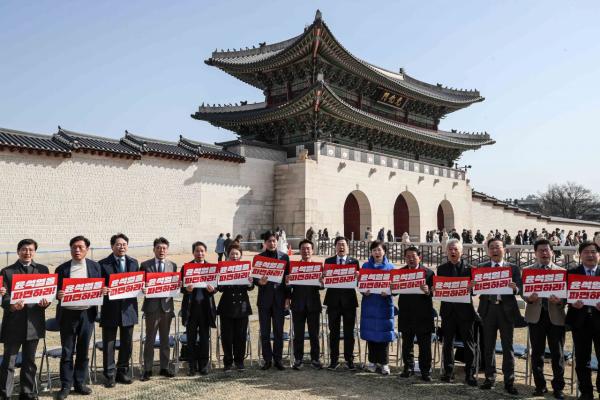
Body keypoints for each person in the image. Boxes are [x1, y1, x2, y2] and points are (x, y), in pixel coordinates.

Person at [0, 239, 49, 400]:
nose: (27, 252)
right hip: (13, 323)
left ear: (34, 252)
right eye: (23, 249)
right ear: (18, 251)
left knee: (29, 361)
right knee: (9, 362)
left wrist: (46, 302)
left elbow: (47, 295)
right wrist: (12, 305)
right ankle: (5, 393)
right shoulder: (7, 271)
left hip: (34, 324)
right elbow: (4, 298)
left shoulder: (43, 270)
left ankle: (27, 392)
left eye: (30, 249)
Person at [55, 236, 102, 400]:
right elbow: (54, 290)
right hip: (68, 314)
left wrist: (102, 291)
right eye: (74, 247)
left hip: (87, 314)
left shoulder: (95, 267)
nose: (77, 250)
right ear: (70, 249)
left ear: (87, 249)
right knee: (67, 352)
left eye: (81, 247)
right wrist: (58, 294)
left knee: (83, 351)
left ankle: (80, 383)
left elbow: (100, 286)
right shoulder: (61, 269)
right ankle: (66, 385)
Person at [522, 239, 566, 399]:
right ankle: (540, 386)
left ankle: (558, 387)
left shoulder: (562, 271)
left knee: (557, 354)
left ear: (552, 252)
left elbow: (567, 296)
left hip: (556, 317)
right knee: (537, 353)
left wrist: (561, 300)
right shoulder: (527, 270)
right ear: (535, 253)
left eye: (547, 250)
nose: (544, 253)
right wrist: (529, 298)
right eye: (541, 250)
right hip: (536, 317)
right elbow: (523, 292)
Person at [477, 238, 522, 395]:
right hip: (488, 309)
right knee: (488, 346)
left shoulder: (513, 268)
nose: (495, 250)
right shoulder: (482, 267)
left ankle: (509, 381)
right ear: (488, 251)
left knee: (507, 347)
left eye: (498, 247)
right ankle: (490, 378)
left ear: (504, 249)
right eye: (492, 248)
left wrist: (515, 288)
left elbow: (520, 288)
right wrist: (474, 286)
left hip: (506, 310)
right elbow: (475, 287)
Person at [98, 233, 139, 388]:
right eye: (118, 244)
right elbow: (98, 286)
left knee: (127, 343)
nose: (121, 247)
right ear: (112, 246)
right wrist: (103, 289)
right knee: (109, 343)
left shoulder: (134, 263)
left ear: (127, 246)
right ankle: (109, 375)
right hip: (110, 309)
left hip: (128, 309)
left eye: (124, 244)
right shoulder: (102, 264)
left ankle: (122, 372)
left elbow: (138, 284)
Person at [437, 238, 478, 386]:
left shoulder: (470, 269)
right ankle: (448, 372)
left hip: (466, 312)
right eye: (450, 249)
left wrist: (472, 288)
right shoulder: (441, 269)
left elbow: (475, 292)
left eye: (456, 249)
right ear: (446, 251)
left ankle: (470, 374)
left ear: (461, 251)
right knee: (447, 343)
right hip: (447, 312)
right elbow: (439, 290)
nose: (453, 252)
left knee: (469, 344)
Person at [566, 241, 600, 400]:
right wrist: (571, 302)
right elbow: (563, 295)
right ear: (580, 255)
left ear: (598, 255)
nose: (590, 255)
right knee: (582, 359)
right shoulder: (571, 272)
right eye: (586, 252)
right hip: (580, 322)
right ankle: (586, 392)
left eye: (593, 252)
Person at [139, 237, 177, 381]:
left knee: (165, 339)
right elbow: (139, 286)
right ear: (154, 249)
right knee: (149, 339)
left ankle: (164, 367)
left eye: (164, 248)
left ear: (167, 250)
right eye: (159, 248)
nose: (161, 251)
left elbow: (174, 285)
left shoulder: (172, 265)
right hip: (151, 307)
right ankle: (147, 369)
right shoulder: (145, 265)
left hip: (167, 307)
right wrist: (144, 289)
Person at [397, 246, 434, 381]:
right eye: (408, 257)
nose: (411, 259)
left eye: (413, 256)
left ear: (420, 257)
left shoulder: (429, 273)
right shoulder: (400, 273)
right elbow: (394, 292)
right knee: (407, 343)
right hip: (406, 313)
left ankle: (425, 371)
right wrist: (392, 287)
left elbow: (434, 293)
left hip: (423, 314)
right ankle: (408, 367)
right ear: (405, 258)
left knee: (425, 345)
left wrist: (428, 290)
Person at [324, 236, 359, 370]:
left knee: (349, 333)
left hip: (349, 302)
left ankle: (349, 359)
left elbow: (358, 282)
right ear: (335, 247)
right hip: (333, 301)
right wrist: (324, 277)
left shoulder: (354, 262)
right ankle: (334, 359)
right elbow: (325, 280)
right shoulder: (329, 261)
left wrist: (358, 277)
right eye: (339, 244)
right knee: (334, 332)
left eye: (344, 244)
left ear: (348, 247)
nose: (341, 247)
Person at [255, 231, 290, 370]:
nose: (272, 243)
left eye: (274, 241)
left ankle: (278, 359)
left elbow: (288, 279)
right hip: (264, 299)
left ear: (277, 241)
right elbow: (256, 279)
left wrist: (288, 298)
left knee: (278, 332)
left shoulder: (284, 257)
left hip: (280, 299)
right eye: (269, 241)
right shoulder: (259, 258)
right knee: (265, 332)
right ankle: (267, 359)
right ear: (265, 243)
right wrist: (260, 282)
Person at [360, 240, 395, 375]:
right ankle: (372, 361)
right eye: (374, 250)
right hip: (369, 304)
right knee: (371, 334)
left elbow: (396, 287)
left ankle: (385, 363)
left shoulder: (390, 267)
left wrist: (390, 292)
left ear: (384, 251)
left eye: (379, 250)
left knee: (384, 335)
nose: (377, 252)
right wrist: (364, 291)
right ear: (371, 252)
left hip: (384, 305)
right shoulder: (365, 266)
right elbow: (360, 284)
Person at [181, 241, 217, 375]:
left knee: (204, 337)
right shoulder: (186, 267)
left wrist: (213, 290)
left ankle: (203, 365)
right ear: (193, 252)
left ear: (205, 252)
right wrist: (187, 289)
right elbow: (180, 288)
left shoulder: (211, 267)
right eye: (197, 251)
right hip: (191, 308)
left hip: (205, 308)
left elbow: (216, 287)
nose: (199, 253)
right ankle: (191, 366)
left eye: (202, 251)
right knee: (190, 338)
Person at [218, 242, 253, 371]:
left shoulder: (246, 268)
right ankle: (228, 361)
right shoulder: (223, 268)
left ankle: (239, 361)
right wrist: (220, 279)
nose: (234, 256)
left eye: (237, 254)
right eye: (232, 253)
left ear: (241, 255)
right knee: (227, 336)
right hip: (226, 306)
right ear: (228, 255)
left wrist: (250, 282)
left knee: (241, 336)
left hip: (242, 306)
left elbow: (251, 287)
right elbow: (220, 289)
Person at [288, 240, 322, 370]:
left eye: (308, 249)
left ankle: (315, 358)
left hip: (313, 304)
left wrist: (322, 282)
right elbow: (289, 287)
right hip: (298, 304)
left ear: (312, 251)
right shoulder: (294, 266)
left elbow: (322, 287)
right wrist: (288, 281)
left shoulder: (318, 267)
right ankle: (298, 359)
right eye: (303, 248)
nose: (306, 251)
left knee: (314, 334)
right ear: (300, 250)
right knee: (299, 334)